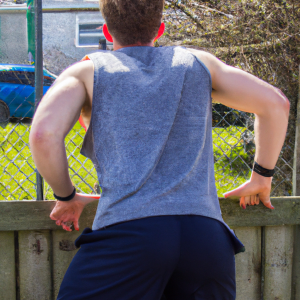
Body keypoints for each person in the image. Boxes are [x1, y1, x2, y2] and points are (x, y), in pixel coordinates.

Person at [29, 0, 290, 299]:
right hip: (206, 240)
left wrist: (66, 196)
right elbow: (276, 105)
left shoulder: (87, 72)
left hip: (129, 235)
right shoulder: (199, 63)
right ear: (161, 29)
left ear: (107, 31)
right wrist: (261, 178)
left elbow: (43, 134)